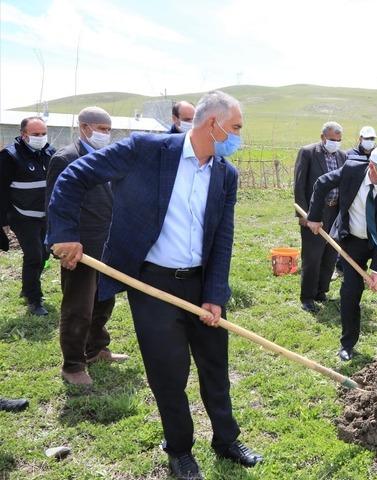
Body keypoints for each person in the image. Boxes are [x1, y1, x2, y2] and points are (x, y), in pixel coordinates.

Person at [48, 91, 262, 479]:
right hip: (151, 284)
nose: (238, 137)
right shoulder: (147, 150)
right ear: (212, 124)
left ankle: (226, 440)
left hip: (200, 285)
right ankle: (179, 448)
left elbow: (223, 238)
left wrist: (215, 294)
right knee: (168, 371)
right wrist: (65, 231)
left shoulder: (224, 174)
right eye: (235, 128)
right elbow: (75, 175)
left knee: (215, 365)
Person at [305, 144, 377, 361]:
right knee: (350, 292)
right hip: (353, 239)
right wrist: (315, 216)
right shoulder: (352, 170)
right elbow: (322, 183)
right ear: (372, 166)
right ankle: (348, 344)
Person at [46, 107, 128, 386]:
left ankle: (96, 349)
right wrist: (61, 243)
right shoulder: (65, 159)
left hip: (107, 243)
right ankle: (72, 365)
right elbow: (55, 204)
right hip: (79, 246)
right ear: (83, 128)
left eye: (108, 130)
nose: (105, 134)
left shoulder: (107, 159)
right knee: (78, 306)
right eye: (101, 129)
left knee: (104, 300)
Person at [0, 116, 56, 316]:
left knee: (45, 254)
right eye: (35, 134)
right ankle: (34, 299)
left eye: (43, 134)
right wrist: (3, 220)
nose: (40, 138)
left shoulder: (50, 153)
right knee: (34, 255)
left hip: (44, 215)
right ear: (24, 135)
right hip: (21, 215)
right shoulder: (9, 156)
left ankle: (27, 287)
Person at [294, 122, 347, 313]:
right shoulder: (308, 153)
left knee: (330, 254)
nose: (335, 143)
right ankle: (307, 297)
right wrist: (303, 215)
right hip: (314, 213)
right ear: (323, 137)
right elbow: (300, 185)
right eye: (332, 139)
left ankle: (321, 291)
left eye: (339, 140)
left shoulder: (343, 156)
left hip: (335, 212)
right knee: (312, 255)